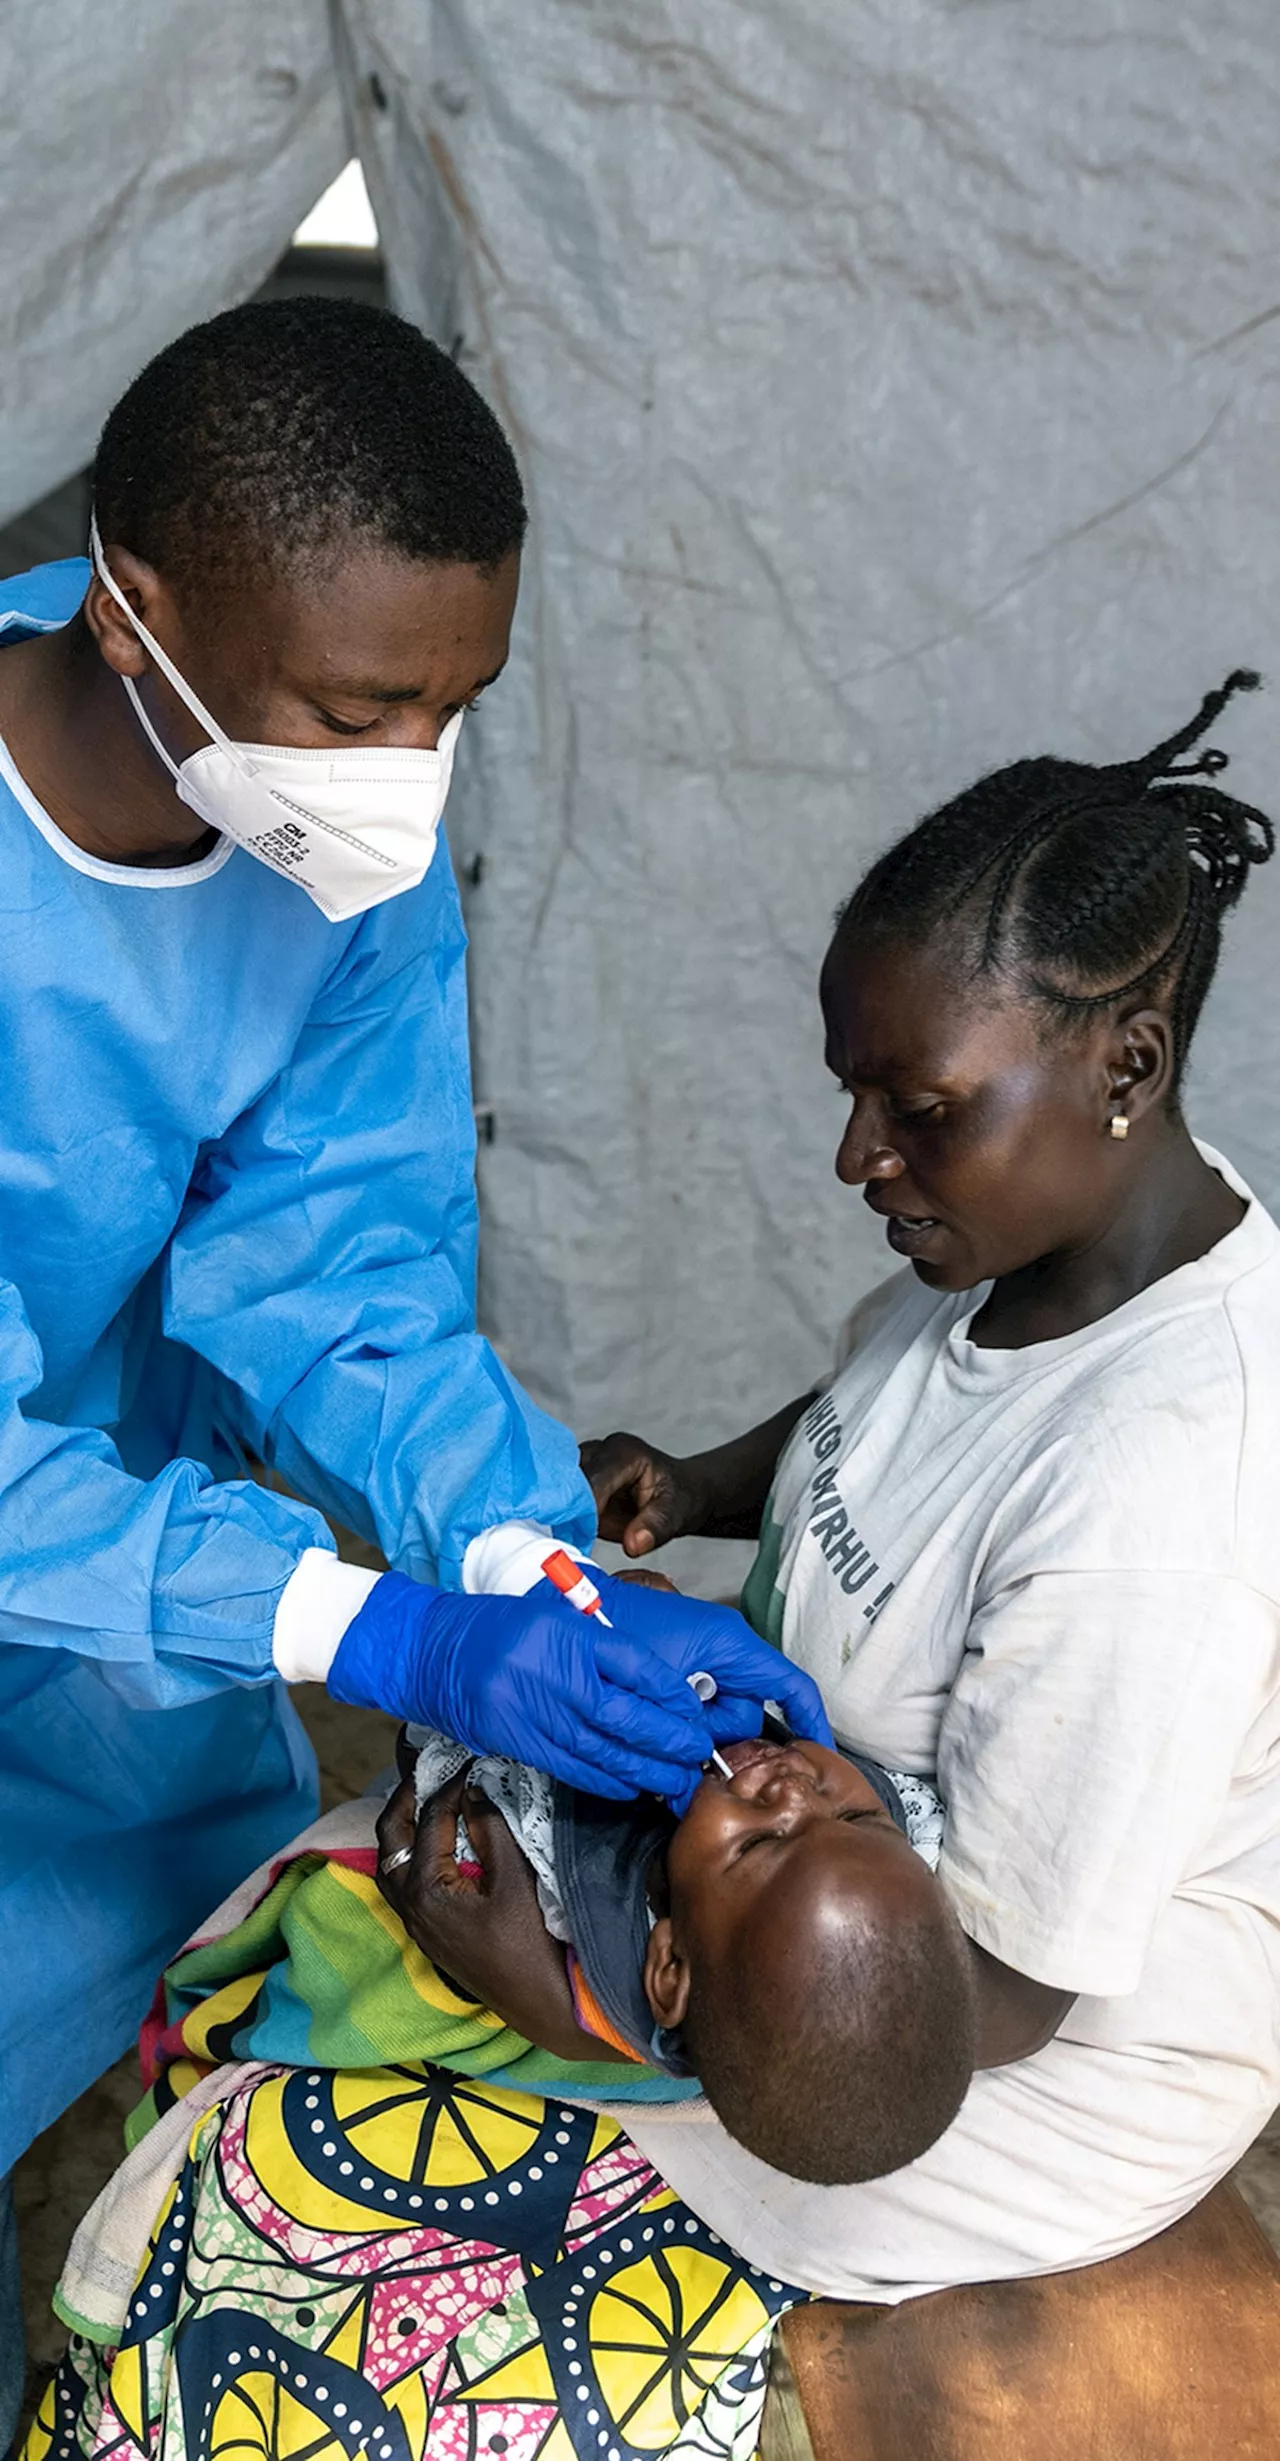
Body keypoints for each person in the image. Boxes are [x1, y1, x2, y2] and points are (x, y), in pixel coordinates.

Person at [0, 294, 826, 2438]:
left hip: (110, 1611)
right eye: (364, 706)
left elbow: (343, 1267)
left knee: (139, 2023)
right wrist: (379, 1630)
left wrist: (532, 1566)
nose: (407, 779)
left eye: (457, 707)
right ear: (131, 614)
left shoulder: (324, 839)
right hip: (66, 1524)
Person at [578, 671, 1280, 2298]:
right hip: (796, 1914)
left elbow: (999, 2001)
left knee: (427, 2140)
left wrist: (582, 2000)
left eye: (919, 1109)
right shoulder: (1041, 1242)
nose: (857, 1157)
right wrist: (692, 1488)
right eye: (853, 1090)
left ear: (1130, 1066)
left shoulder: (1163, 1493)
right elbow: (884, 1421)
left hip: (953, 2062)